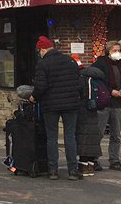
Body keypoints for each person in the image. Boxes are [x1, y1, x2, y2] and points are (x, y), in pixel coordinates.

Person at [31, 36, 83, 180]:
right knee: (70, 136)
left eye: (39, 51)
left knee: (52, 137)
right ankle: (73, 170)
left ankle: (52, 170)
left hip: (51, 105)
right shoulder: (70, 61)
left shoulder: (43, 63)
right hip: (71, 104)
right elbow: (80, 83)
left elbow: (40, 86)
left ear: (43, 49)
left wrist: (33, 97)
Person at [93, 40, 121, 170]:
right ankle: (93, 159)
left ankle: (114, 160)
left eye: (119, 50)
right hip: (104, 102)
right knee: (98, 132)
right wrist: (110, 91)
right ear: (108, 51)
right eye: (114, 50)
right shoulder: (100, 63)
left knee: (116, 134)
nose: (117, 53)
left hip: (118, 103)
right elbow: (98, 81)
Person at [77, 63, 107, 176]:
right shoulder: (98, 81)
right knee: (93, 139)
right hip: (94, 111)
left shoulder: (82, 80)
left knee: (84, 138)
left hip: (83, 111)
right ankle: (91, 165)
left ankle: (83, 165)